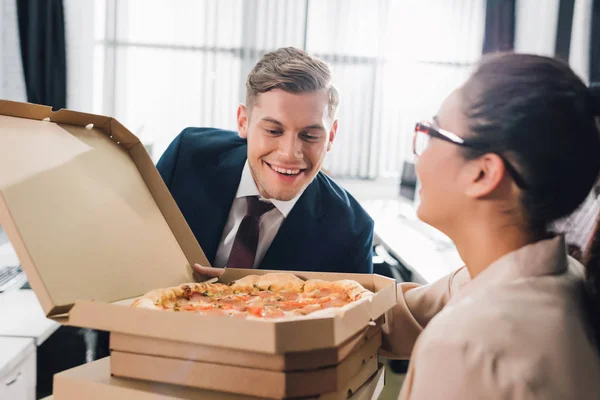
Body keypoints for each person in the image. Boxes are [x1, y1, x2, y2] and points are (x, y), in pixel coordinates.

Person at [381, 53, 600, 399]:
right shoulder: (564, 275)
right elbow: (400, 314)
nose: (419, 155)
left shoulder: (466, 345)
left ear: (483, 173)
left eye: (433, 132)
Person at [156, 47, 374, 277]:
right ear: (243, 122)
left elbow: (353, 312)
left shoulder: (352, 230)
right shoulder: (187, 156)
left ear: (331, 136)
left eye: (310, 136)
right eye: (273, 130)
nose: (290, 153)